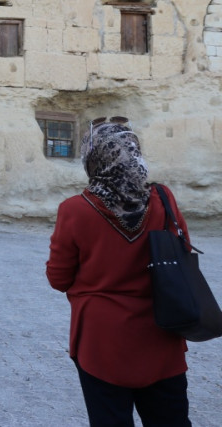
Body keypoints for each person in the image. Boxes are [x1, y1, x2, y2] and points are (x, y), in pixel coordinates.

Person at [47, 118, 192, 426]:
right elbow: (185, 253)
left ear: (93, 157)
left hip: (102, 344)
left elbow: (58, 279)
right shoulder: (163, 200)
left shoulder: (75, 209)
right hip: (162, 333)